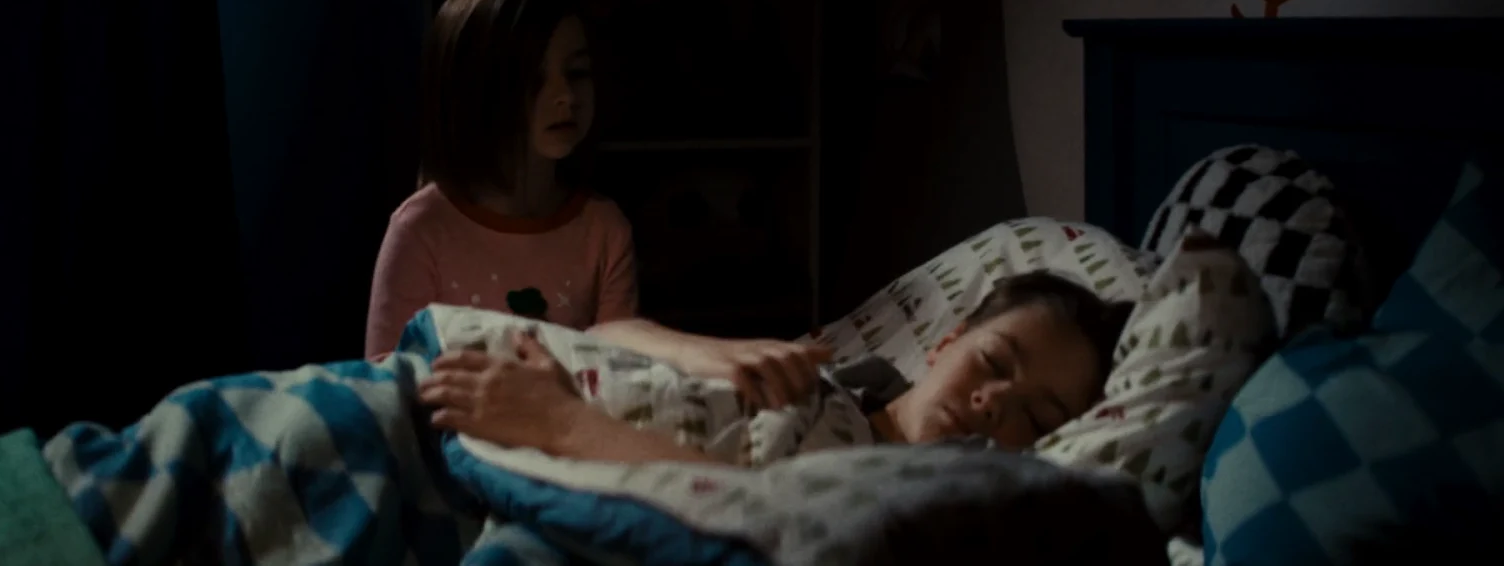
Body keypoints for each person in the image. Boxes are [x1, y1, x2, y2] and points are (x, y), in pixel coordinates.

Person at [366, 0, 823, 408]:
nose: (565, 95)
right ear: (474, 92)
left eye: (577, 72)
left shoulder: (602, 228)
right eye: (534, 79)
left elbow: (621, 359)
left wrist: (713, 357)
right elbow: (385, 383)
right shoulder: (422, 230)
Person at [419, 270, 1134, 465]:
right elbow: (609, 333)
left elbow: (752, 517)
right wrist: (710, 352)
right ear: (947, 342)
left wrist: (563, 424)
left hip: (526, 434)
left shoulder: (914, 499)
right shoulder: (829, 384)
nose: (993, 403)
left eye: (1037, 416)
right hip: (474, 372)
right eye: (994, 362)